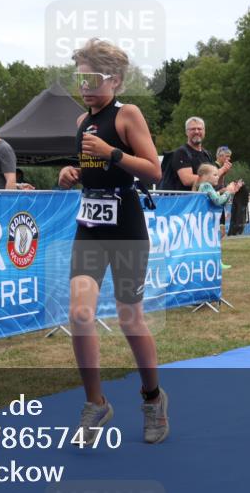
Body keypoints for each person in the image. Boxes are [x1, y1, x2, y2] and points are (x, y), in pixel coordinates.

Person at [57, 38, 167, 446]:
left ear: (115, 81)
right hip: (90, 226)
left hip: (126, 226)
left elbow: (154, 171)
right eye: (79, 77)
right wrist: (72, 175)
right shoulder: (81, 122)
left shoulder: (127, 115)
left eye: (91, 77)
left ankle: (152, 399)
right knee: (80, 314)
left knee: (129, 318)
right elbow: (93, 172)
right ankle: (95, 403)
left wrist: (112, 153)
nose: (83, 85)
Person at [194, 163, 239, 270]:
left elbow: (218, 199)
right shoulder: (206, 186)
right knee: (212, 241)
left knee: (213, 241)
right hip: (206, 221)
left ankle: (216, 262)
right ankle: (215, 262)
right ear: (204, 176)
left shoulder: (205, 186)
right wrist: (228, 191)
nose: (218, 177)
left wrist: (229, 192)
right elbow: (218, 201)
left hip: (206, 220)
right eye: (214, 175)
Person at [159, 117, 220, 191]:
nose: (197, 132)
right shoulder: (181, 153)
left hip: (202, 200)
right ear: (186, 132)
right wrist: (211, 177)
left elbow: (215, 181)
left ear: (204, 131)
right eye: (193, 129)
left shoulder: (206, 154)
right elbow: (187, 180)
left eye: (199, 129)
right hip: (185, 201)